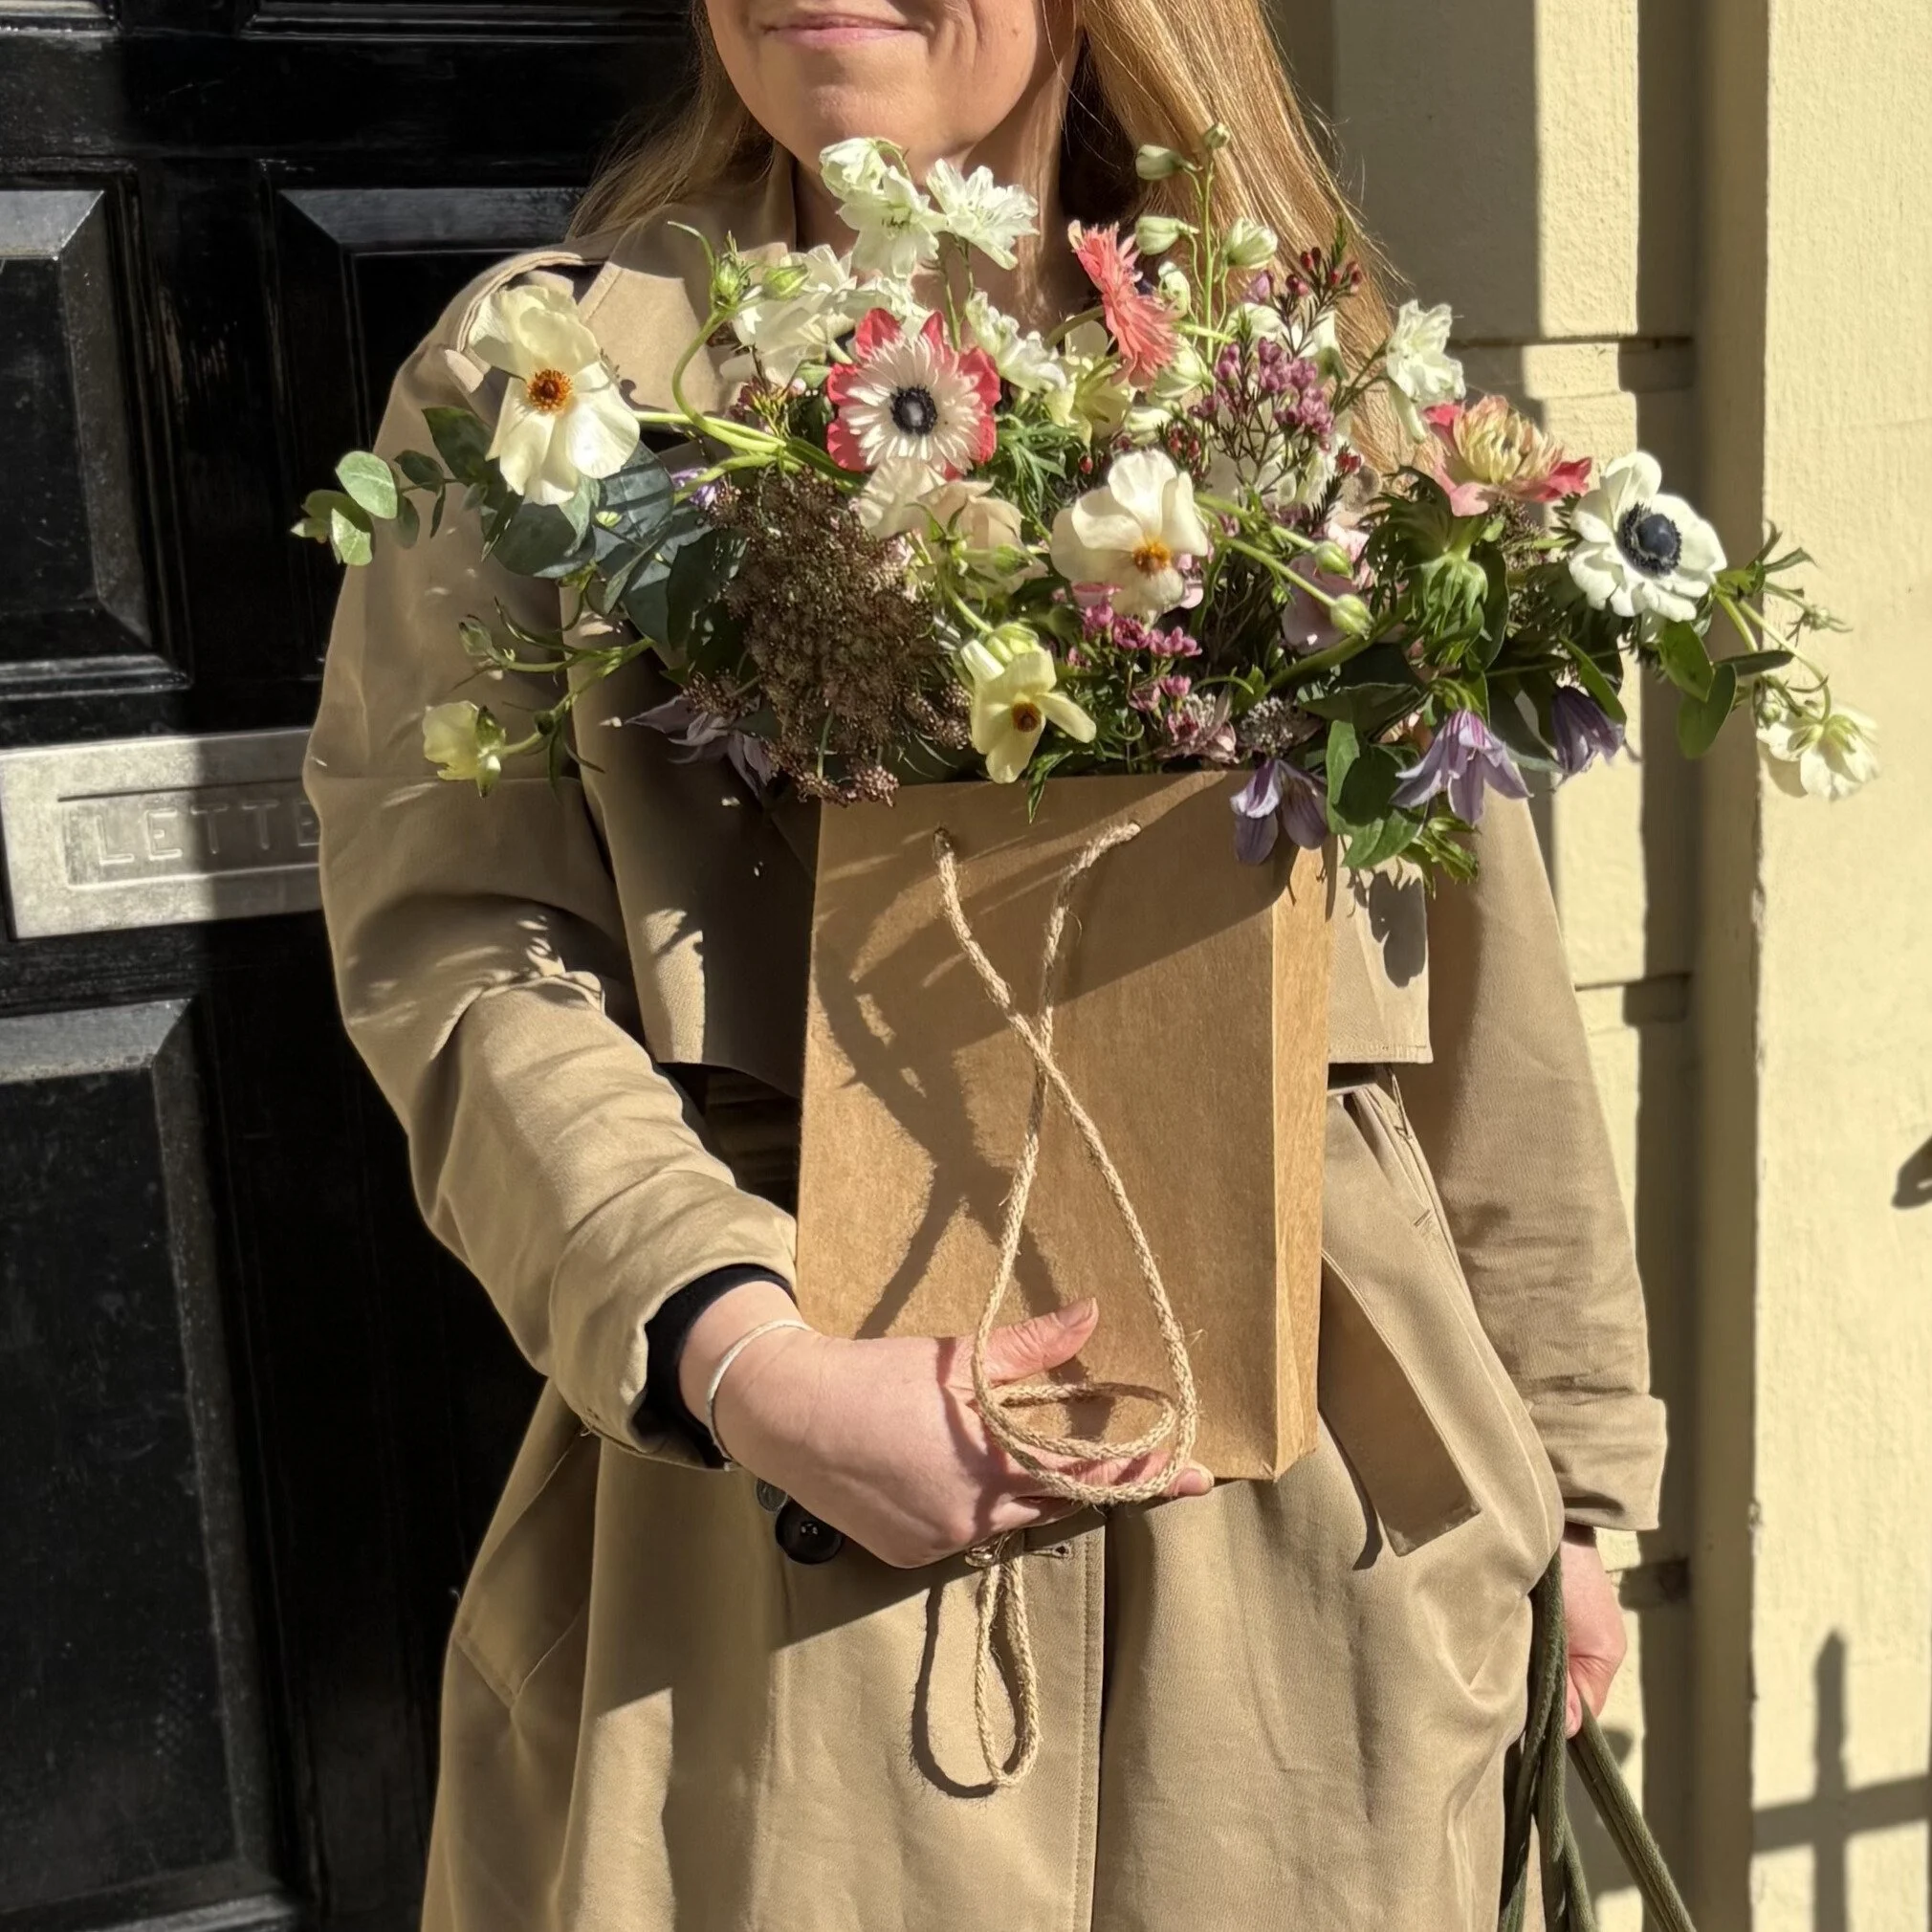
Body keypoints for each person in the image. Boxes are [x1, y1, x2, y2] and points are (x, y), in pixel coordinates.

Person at [303, 0, 1666, 1921]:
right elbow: (458, 947)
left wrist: (1570, 1493)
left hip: (1319, 1535)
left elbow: (1484, 1002)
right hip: (771, 1532)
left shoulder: (1323, 388)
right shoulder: (553, 378)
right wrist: (744, 1351)